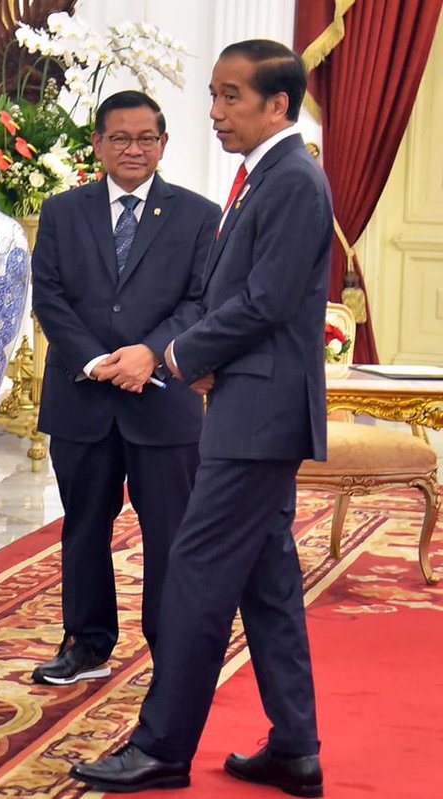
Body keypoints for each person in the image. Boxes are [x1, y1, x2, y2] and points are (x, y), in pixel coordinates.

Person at [70, 40, 330, 797]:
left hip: (258, 415)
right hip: (250, 405)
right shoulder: (267, 176)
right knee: (268, 581)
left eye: (230, 97)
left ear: (276, 105)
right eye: (213, 96)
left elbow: (266, 301)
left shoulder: (292, 181)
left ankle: (161, 748)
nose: (214, 113)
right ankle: (296, 746)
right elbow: (241, 292)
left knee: (194, 576)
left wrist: (177, 355)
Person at [30, 91, 219, 686]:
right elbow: (50, 297)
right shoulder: (63, 211)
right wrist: (93, 361)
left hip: (162, 401)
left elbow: (201, 301)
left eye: (146, 139)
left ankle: (173, 650)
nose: (133, 149)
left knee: (171, 532)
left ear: (163, 144)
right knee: (84, 525)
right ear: (98, 144)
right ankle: (85, 643)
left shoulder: (198, 215)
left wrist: (149, 356)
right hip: (82, 396)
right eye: (120, 138)